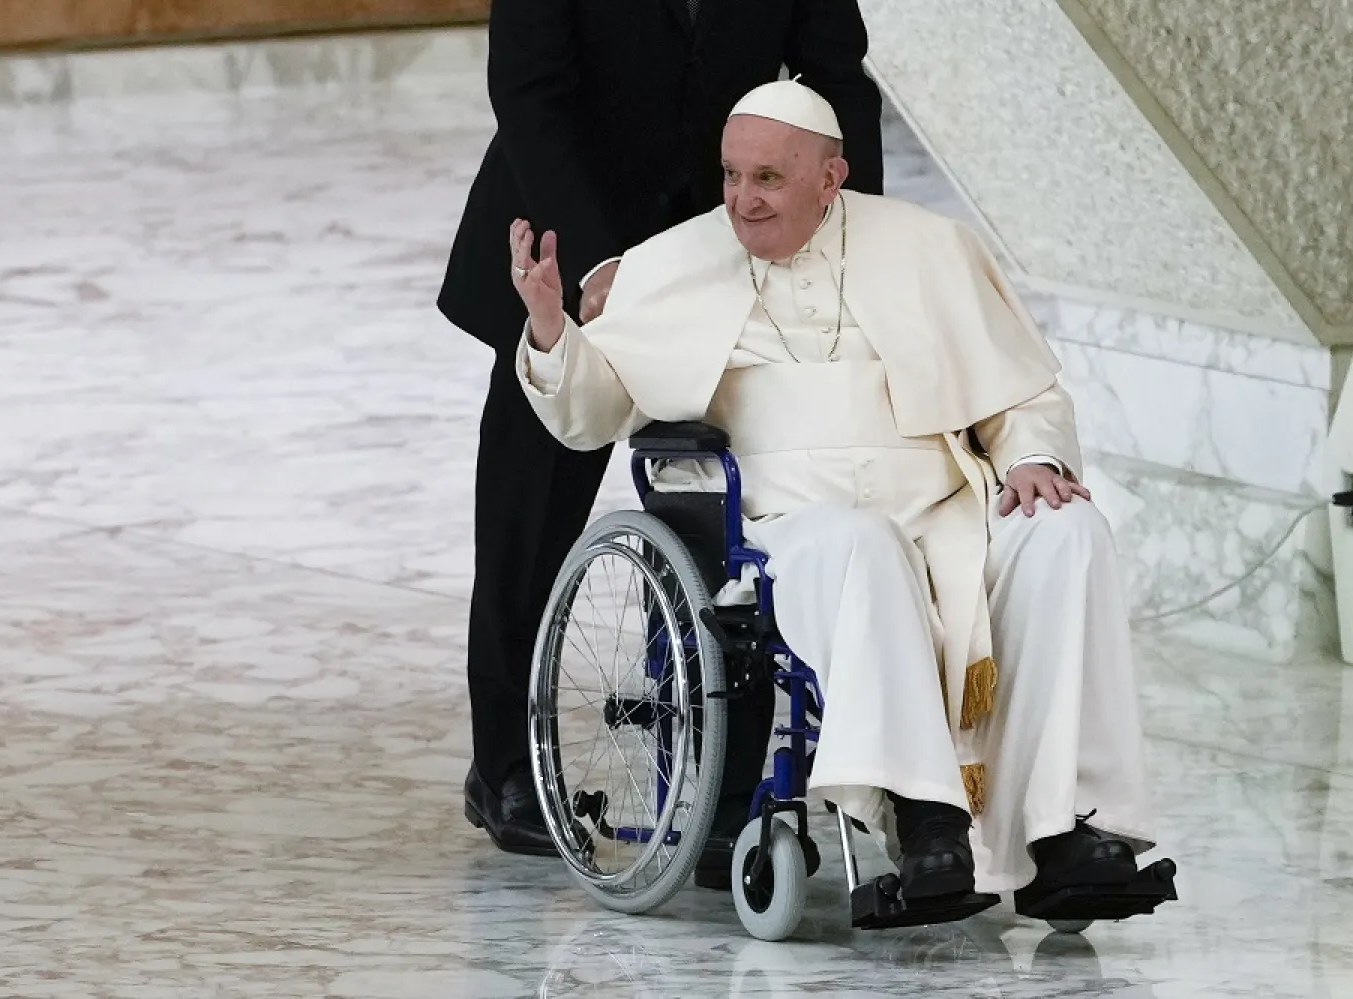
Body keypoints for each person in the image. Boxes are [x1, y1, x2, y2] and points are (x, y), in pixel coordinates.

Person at [506, 79, 1158, 908]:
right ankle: (926, 822)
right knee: (863, 543)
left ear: (831, 177)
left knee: (1069, 530)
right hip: (791, 528)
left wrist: (1035, 458)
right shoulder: (671, 265)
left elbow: (1024, 394)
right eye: (731, 175)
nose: (742, 199)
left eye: (768, 178)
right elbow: (593, 412)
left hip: (950, 509)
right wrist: (552, 329)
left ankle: (1065, 828)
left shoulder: (927, 247)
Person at [440, 0, 885, 874]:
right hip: (563, 241)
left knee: (719, 516)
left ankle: (716, 783)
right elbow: (529, 89)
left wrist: (855, 239)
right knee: (530, 524)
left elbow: (837, 78)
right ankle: (504, 767)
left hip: (724, 248)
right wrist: (601, 260)